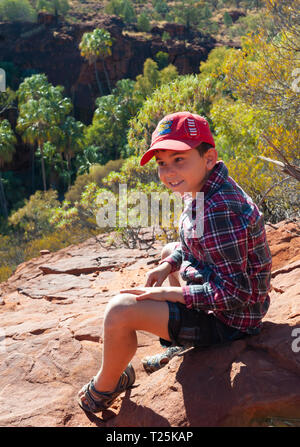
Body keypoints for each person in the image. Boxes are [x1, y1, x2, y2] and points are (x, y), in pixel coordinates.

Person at [77, 111, 272, 414]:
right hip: (221, 303)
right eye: (162, 163)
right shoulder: (201, 187)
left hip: (232, 322)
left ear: (209, 158)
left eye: (178, 159)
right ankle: (178, 341)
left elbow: (239, 294)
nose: (169, 172)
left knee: (119, 312)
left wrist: (171, 294)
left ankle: (105, 387)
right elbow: (192, 244)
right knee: (170, 249)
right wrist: (168, 265)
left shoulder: (220, 210)